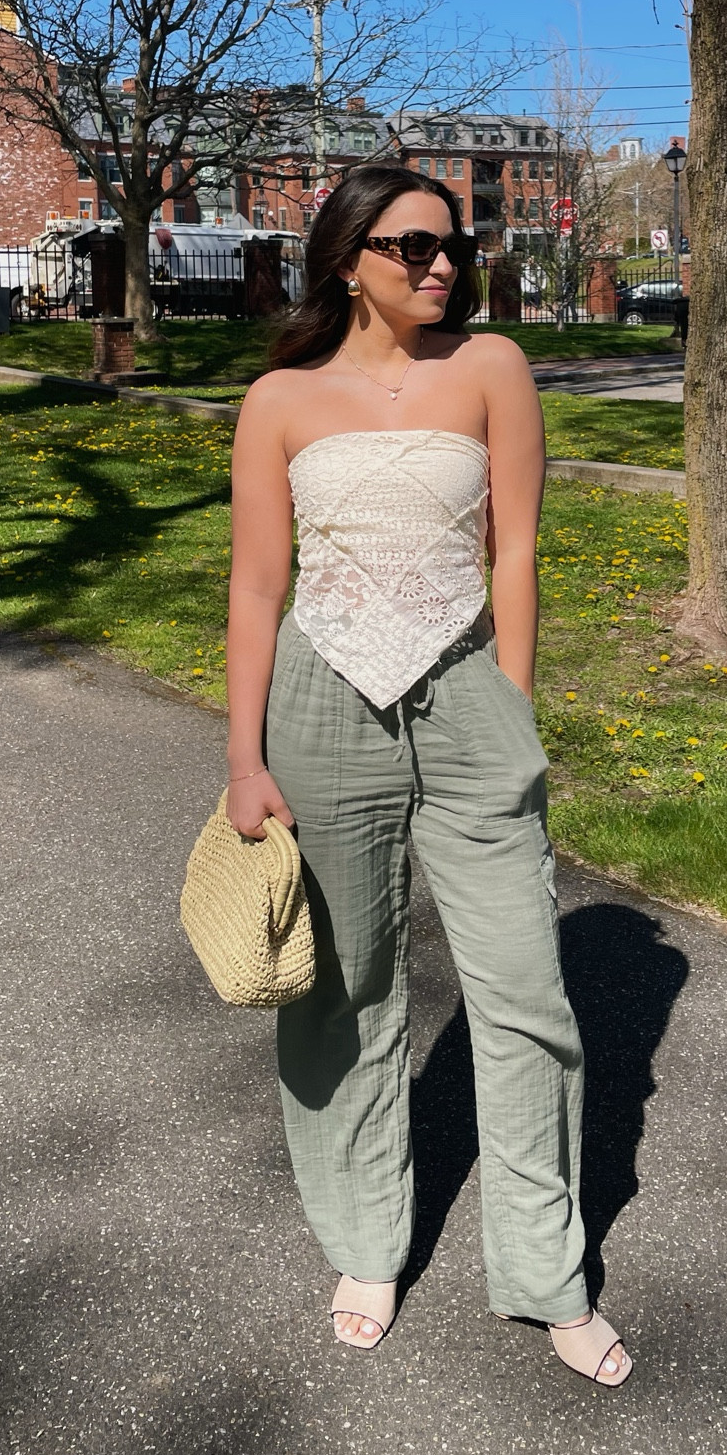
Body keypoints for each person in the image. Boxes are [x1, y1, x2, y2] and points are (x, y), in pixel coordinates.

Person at [224, 163, 632, 1388]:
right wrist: (242, 754)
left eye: (455, 244)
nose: (442, 264)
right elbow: (256, 584)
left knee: (528, 996)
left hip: (466, 700)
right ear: (350, 257)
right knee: (342, 992)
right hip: (318, 706)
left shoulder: (492, 368)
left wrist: (508, 701)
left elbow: (516, 549)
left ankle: (549, 1271)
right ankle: (364, 1240)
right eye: (411, 247)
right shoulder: (279, 398)